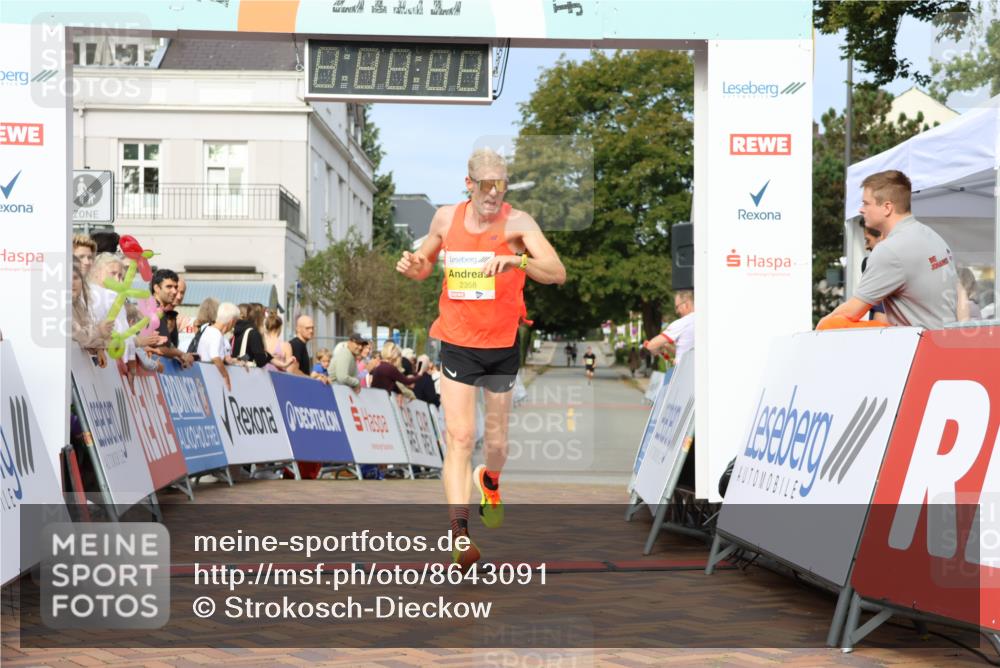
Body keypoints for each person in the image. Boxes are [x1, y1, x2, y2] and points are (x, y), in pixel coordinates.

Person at [395, 147, 566, 569]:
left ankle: (489, 480)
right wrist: (413, 264)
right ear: (468, 185)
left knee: (497, 445)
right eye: (485, 185)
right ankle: (459, 532)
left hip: (502, 343)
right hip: (457, 340)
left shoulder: (518, 222)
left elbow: (557, 272)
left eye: (500, 184)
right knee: (459, 436)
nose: (493, 193)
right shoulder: (444, 218)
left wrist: (516, 259)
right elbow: (424, 267)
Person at [819, 170, 967, 330]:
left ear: (887, 208)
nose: (861, 210)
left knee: (830, 324)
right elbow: (959, 294)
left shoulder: (890, 250)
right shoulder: (933, 237)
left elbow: (848, 313)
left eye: (866, 203)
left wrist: (818, 329)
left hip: (918, 349)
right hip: (942, 342)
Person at [149, 268, 196, 368]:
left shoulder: (162, 311)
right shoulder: (155, 310)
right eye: (169, 287)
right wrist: (182, 354)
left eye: (176, 288)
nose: (175, 293)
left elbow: (167, 345)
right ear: (157, 288)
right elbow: (162, 348)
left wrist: (178, 356)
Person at [644, 289, 695, 366]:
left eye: (677, 307)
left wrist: (656, 349)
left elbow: (651, 346)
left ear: (686, 304)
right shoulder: (704, 321)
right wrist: (666, 346)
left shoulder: (682, 323)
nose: (676, 311)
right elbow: (686, 352)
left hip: (683, 373)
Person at [197, 302, 240, 390]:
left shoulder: (208, 330)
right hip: (211, 379)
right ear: (231, 321)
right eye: (235, 322)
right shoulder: (217, 334)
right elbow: (215, 356)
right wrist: (225, 375)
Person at [859, 219, 888, 323]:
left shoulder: (878, 266)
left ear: (882, 236)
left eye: (867, 240)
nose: (866, 246)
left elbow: (881, 322)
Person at [289, 315, 329, 384]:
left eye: (312, 328)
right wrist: (311, 379)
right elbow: (293, 370)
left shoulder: (301, 344)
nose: (311, 331)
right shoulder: (297, 344)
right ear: (298, 329)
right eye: (307, 328)